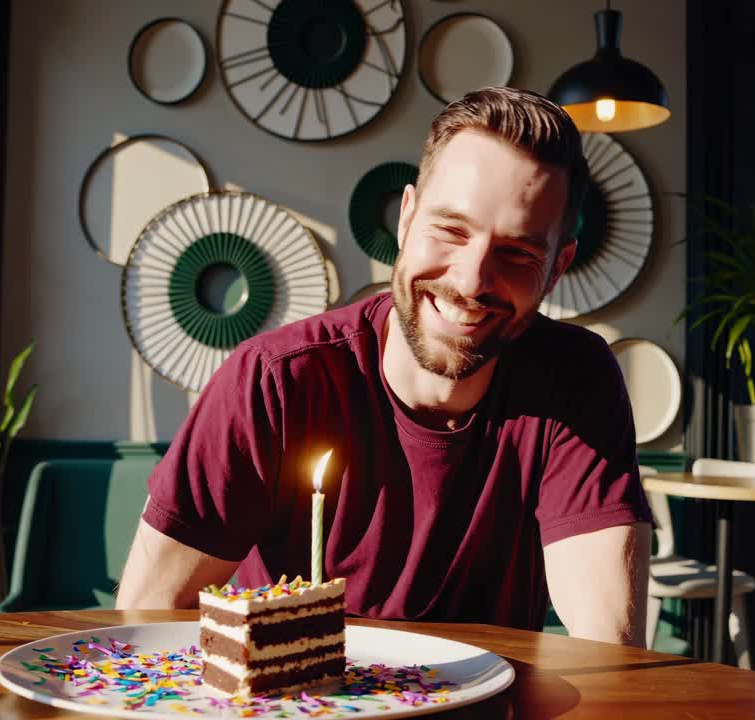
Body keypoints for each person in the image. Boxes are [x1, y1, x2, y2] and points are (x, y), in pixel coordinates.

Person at [116, 87, 653, 647]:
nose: (471, 281)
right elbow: (147, 616)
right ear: (407, 218)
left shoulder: (574, 379)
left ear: (558, 266)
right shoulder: (276, 380)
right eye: (450, 230)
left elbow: (608, 648)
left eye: (517, 253)